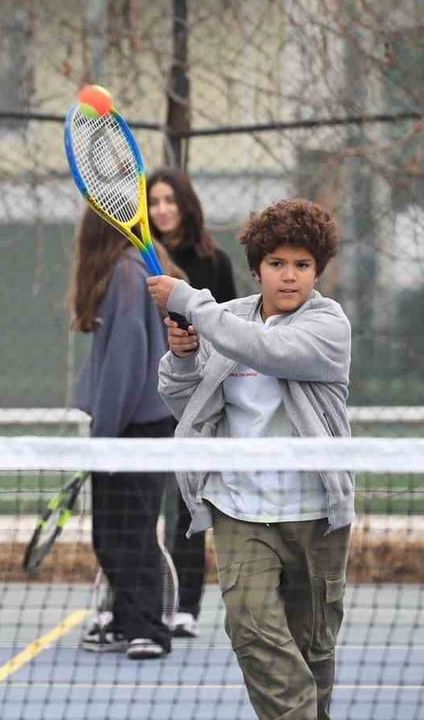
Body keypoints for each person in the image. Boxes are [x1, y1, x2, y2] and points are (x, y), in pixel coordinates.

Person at [147, 198, 354, 720]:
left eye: (302, 265)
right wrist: (184, 356)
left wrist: (190, 303)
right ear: (258, 268)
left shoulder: (329, 325)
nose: (289, 276)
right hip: (239, 509)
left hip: (315, 515)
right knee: (252, 632)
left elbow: (269, 351)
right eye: (277, 264)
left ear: (317, 270)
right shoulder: (227, 319)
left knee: (315, 652)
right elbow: (184, 401)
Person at [70, 208, 181, 661]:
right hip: (129, 425)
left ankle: (150, 628)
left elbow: (126, 360)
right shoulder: (128, 271)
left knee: (130, 531)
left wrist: (105, 432)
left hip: (135, 429)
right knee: (111, 531)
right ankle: (124, 620)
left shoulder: (126, 273)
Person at [145, 167, 238, 639]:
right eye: (154, 201)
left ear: (185, 204)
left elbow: (230, 329)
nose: (162, 209)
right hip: (150, 399)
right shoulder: (138, 261)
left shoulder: (215, 261)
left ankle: (186, 607)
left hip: (199, 402)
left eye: (169, 200)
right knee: (140, 509)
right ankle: (139, 602)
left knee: (188, 506)